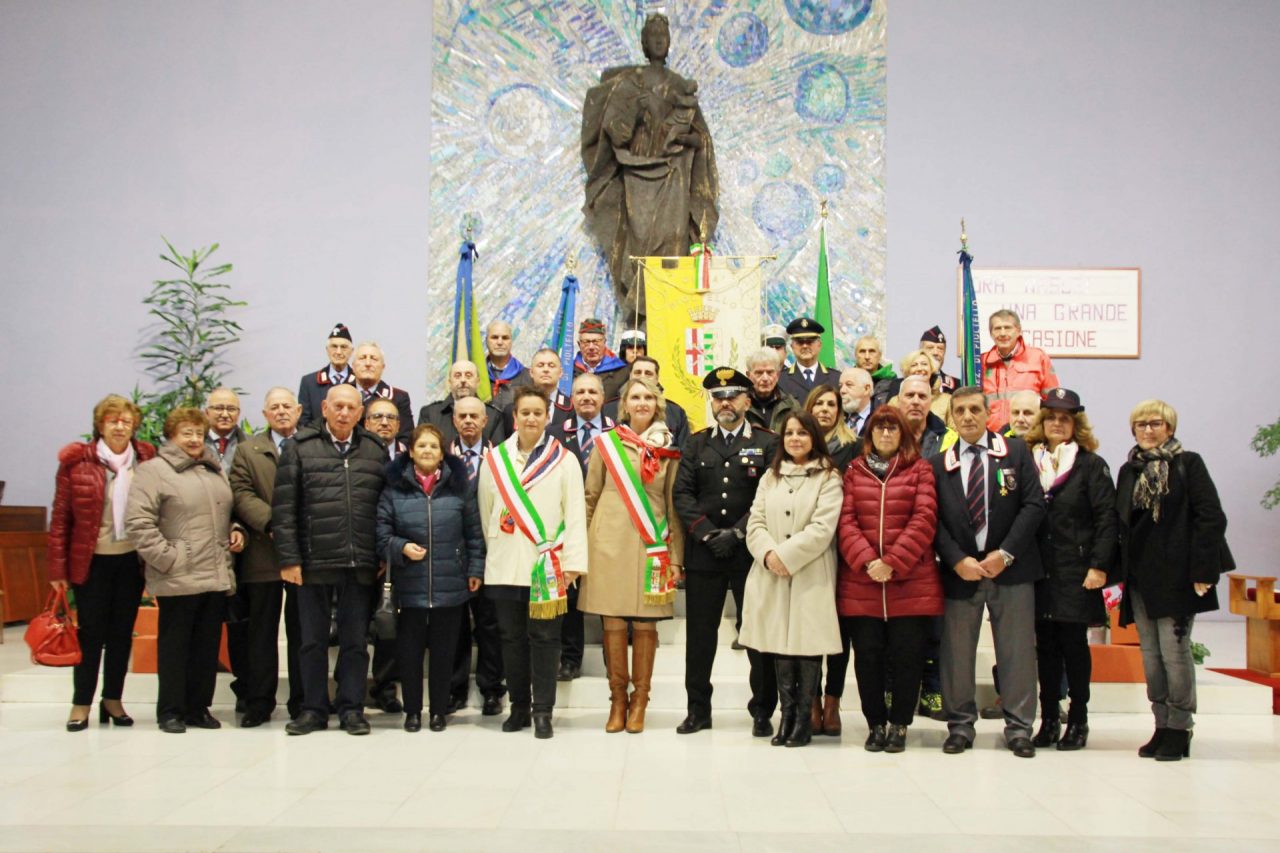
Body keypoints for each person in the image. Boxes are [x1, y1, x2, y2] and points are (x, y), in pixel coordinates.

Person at [931, 387, 1045, 757]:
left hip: (1010, 570)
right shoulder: (938, 462)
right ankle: (960, 725)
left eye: (974, 410)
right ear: (951, 416)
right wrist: (955, 559)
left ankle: (1019, 727)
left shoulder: (1015, 452)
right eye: (959, 410)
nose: (967, 417)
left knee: (1016, 652)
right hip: (960, 572)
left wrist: (1007, 553)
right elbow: (932, 521)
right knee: (956, 653)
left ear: (988, 413)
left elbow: (1033, 505)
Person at [581, 12, 718, 317]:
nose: (658, 40)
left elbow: (701, 139)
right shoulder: (631, 83)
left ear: (669, 44)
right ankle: (641, 314)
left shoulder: (681, 86)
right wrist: (631, 116)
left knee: (673, 240)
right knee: (640, 241)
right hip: (638, 174)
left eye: (663, 36)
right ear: (644, 43)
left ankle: (670, 313)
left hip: (674, 176)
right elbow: (615, 130)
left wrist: (682, 139)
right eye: (652, 36)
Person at [1116, 399, 1231, 761]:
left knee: (1175, 654)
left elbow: (1210, 518)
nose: (1148, 430)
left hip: (1179, 577)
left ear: (1170, 428)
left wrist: (1203, 571)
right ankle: (1161, 724)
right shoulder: (1128, 469)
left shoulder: (1187, 463)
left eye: (1156, 423)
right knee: (1150, 656)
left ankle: (1180, 729)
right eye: (1141, 424)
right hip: (1141, 578)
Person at [273, 384, 388, 736]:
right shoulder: (299, 448)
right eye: (337, 406)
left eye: (351, 408)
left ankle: (352, 708)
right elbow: (284, 509)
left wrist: (381, 554)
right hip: (313, 563)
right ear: (324, 408)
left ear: (359, 413)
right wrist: (290, 559)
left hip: (360, 562)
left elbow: (385, 508)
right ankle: (313, 709)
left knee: (355, 642)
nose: (343, 413)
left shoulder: (374, 449)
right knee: (311, 641)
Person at [477, 386, 589, 739]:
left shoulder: (564, 459)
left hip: (549, 566)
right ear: (515, 417)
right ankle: (519, 709)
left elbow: (574, 513)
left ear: (547, 417)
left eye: (537, 413)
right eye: (524, 412)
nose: (530, 418)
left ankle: (543, 710)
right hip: (506, 563)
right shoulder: (494, 460)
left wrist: (572, 563)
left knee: (545, 639)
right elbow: (486, 512)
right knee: (510, 638)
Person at [673, 368, 779, 736]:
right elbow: (682, 495)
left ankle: (762, 710)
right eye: (718, 397)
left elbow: (769, 496)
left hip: (748, 553)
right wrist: (705, 533)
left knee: (755, 636)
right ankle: (697, 710)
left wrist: (736, 532)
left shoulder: (768, 442)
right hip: (704, 555)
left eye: (733, 395)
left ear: (748, 400)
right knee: (700, 639)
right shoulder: (696, 443)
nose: (725, 403)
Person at [125, 408, 245, 733]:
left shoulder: (212, 469)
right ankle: (170, 711)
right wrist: (168, 558)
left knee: (206, 647)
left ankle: (198, 708)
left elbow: (222, 512)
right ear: (171, 436)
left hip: (215, 572)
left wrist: (236, 529)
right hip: (178, 574)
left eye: (197, 433)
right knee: (175, 647)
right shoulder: (154, 471)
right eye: (186, 433)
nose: (193, 440)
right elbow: (138, 523)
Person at [579, 377, 684, 733]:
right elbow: (589, 497)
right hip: (606, 544)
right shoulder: (605, 444)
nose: (642, 402)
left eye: (649, 397)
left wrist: (676, 556)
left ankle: (640, 700)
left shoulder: (668, 449)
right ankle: (617, 700)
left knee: (644, 622)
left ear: (657, 404)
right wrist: (580, 552)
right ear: (624, 405)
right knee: (612, 621)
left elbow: (673, 504)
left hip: (649, 544)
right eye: (635, 397)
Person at [48, 395, 157, 731]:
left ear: (133, 425)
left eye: (125, 421)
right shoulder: (78, 462)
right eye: (112, 421)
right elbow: (61, 519)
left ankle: (113, 700)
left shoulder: (146, 459)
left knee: (122, 634)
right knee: (91, 634)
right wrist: (57, 570)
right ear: (100, 425)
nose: (119, 426)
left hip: (130, 561)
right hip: (91, 562)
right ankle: (81, 703)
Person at [837, 405, 941, 753]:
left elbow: (924, 518)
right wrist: (868, 561)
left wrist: (893, 562)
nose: (885, 434)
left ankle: (899, 724)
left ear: (902, 434)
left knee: (908, 657)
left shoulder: (920, 470)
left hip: (910, 582)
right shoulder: (854, 470)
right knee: (867, 658)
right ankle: (875, 723)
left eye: (891, 429)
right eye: (879, 429)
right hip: (862, 582)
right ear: (869, 435)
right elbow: (846, 520)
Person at [739, 412, 843, 747]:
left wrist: (787, 556)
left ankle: (802, 719)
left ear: (814, 437)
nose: (795, 439)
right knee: (779, 645)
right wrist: (769, 554)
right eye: (789, 433)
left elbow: (823, 528)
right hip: (771, 573)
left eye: (802, 433)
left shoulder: (828, 477)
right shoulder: (770, 477)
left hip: (810, 572)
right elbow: (755, 522)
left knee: (806, 644)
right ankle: (785, 715)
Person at [1021, 388, 1116, 751]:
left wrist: (1099, 566)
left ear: (1075, 424)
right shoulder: (1028, 460)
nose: (1057, 423)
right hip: (1038, 571)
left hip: (1077, 571)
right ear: (1042, 422)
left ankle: (1078, 719)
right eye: (1051, 417)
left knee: (1074, 646)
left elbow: (1107, 519)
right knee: (1045, 647)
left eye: (1065, 418)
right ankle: (1048, 720)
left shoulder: (1091, 464)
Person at [377, 423, 486, 732]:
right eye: (421, 446)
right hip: (408, 586)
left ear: (443, 454)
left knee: (444, 653)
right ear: (411, 452)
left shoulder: (458, 488)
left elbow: (473, 534)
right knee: (409, 654)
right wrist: (401, 548)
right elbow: (381, 535)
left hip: (450, 584)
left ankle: (438, 711)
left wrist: (475, 569)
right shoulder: (394, 489)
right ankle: (412, 711)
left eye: (434, 447)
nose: (427, 451)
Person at [227, 388, 306, 727]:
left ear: (299, 410)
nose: (282, 412)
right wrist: (273, 523)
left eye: (287, 406)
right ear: (264, 413)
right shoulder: (248, 450)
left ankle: (303, 701)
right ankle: (259, 702)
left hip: (304, 555)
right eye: (274, 407)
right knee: (261, 632)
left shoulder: (311, 446)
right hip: (262, 552)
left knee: (303, 631)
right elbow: (241, 493)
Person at [547, 373, 616, 681]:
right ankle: (570, 659)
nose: (587, 397)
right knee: (571, 595)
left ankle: (612, 657)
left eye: (592, 391)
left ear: (603, 398)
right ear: (571, 399)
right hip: (567, 525)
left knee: (609, 593)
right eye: (580, 392)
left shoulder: (619, 433)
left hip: (609, 525)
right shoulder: (555, 433)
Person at [800, 385, 860, 734]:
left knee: (839, 632)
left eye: (832, 404)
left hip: (842, 547)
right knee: (809, 627)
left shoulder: (851, 448)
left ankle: (832, 702)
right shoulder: (796, 447)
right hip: (805, 550)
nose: (825, 409)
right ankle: (809, 700)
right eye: (819, 403)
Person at [447, 396, 507, 715]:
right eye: (463, 416)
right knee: (456, 625)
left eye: (475, 416)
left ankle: (492, 689)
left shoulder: (500, 458)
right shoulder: (442, 457)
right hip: (452, 557)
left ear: (485, 422)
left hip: (492, 551)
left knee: (490, 625)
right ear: (454, 421)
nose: (469, 421)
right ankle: (456, 689)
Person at [360, 398, 407, 713]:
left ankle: (386, 686)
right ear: (366, 422)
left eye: (391, 417)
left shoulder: (408, 457)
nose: (384, 422)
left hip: (395, 552)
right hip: (361, 551)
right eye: (377, 416)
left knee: (390, 623)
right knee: (357, 623)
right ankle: (349, 685)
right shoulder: (356, 454)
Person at [981, 309, 1059, 432]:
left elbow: (1052, 402)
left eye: (1007, 328)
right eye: (997, 328)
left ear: (1018, 331)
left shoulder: (1038, 358)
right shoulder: (981, 362)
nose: (1002, 333)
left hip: (1029, 435)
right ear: (991, 334)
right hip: (993, 437)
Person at [604, 356, 689, 449]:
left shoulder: (676, 413)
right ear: (629, 376)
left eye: (648, 373)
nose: (642, 376)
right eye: (637, 372)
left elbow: (684, 453)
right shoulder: (607, 410)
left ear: (657, 379)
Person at [420, 360, 506, 448]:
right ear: (449, 382)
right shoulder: (430, 414)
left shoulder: (494, 416)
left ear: (478, 382)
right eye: (457, 376)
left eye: (468, 376)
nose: (463, 380)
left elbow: (498, 455)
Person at [347, 341, 414, 444]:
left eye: (374, 359)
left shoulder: (398, 397)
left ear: (383, 367)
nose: (368, 363)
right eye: (362, 358)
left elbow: (405, 438)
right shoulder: (339, 394)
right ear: (353, 366)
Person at [502, 347, 573, 433]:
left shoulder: (573, 409)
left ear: (561, 372)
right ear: (531, 372)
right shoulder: (513, 409)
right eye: (540, 365)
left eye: (551, 365)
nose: (546, 370)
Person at [298, 322, 354, 429]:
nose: (338, 352)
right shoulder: (309, 382)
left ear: (351, 351)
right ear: (327, 350)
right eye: (334, 346)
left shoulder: (359, 381)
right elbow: (303, 422)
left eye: (344, 347)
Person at [777, 317, 837, 402]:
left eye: (810, 341)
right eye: (800, 342)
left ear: (819, 345)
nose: (805, 346)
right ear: (792, 347)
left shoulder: (835, 378)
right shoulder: (780, 379)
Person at [885, 350, 951, 425]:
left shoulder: (947, 401)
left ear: (932, 369)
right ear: (907, 371)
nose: (919, 368)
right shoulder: (895, 402)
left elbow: (955, 433)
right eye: (914, 365)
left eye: (924, 364)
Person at [572, 318, 629, 401]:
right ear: (579, 344)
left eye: (596, 342)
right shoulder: (569, 371)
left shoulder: (621, 372)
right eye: (586, 342)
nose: (591, 347)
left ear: (604, 342)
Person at [745, 348, 797, 434]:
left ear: (778, 375)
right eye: (759, 373)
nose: (765, 378)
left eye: (770, 372)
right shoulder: (740, 406)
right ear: (748, 375)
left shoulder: (791, 405)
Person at [897, 376, 947, 461]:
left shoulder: (948, 438)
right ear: (898, 400)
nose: (916, 402)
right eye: (910, 395)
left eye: (922, 396)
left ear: (930, 402)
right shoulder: (884, 434)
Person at [485, 320, 530, 411]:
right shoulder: (477, 375)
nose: (500, 342)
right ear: (486, 341)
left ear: (511, 342)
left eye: (505, 338)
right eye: (494, 337)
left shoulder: (528, 377)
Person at [204, 387, 246, 474]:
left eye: (231, 409)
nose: (225, 415)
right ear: (207, 413)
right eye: (219, 408)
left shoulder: (251, 444)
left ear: (238, 413)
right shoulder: (195, 443)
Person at [919, 325, 959, 393]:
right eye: (930, 347)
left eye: (940, 348)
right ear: (920, 352)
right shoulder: (903, 384)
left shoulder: (958, 386)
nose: (936, 353)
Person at [839, 367, 874, 437]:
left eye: (849, 385)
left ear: (866, 389)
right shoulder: (836, 417)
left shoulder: (882, 417)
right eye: (840, 386)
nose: (842, 391)